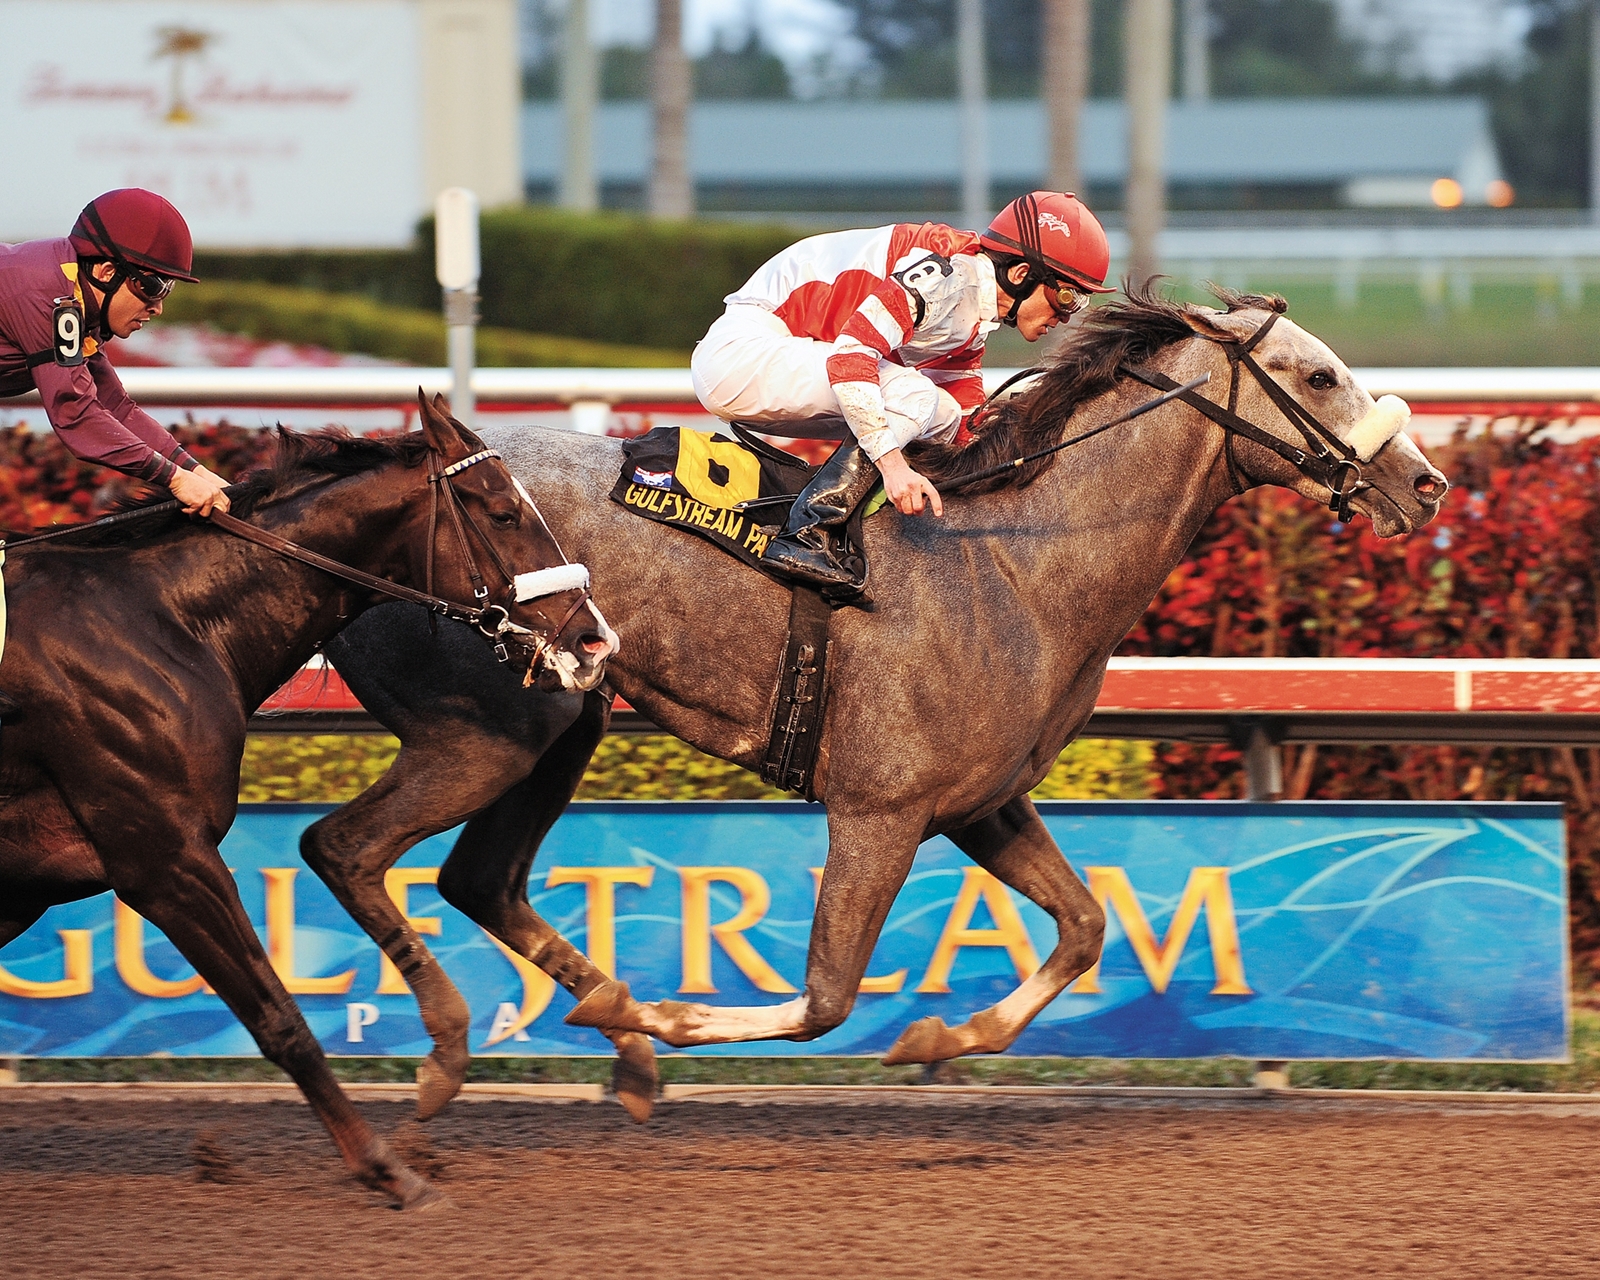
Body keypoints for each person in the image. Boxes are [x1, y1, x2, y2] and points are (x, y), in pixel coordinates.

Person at [691, 191, 1115, 595]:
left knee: (943, 415)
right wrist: (895, 470)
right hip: (741, 354)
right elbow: (850, 362)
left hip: (783, 359)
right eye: (1067, 296)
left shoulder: (974, 307)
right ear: (1021, 274)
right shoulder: (944, 275)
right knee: (915, 397)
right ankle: (809, 532)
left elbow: (963, 422)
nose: (1068, 315)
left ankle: (849, 524)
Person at [0, 188, 232, 520]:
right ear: (107, 272)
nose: (158, 307)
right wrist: (176, 479)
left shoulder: (76, 294)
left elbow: (115, 406)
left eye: (169, 288)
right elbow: (76, 415)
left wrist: (197, 472)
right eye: (154, 286)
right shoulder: (49, 295)